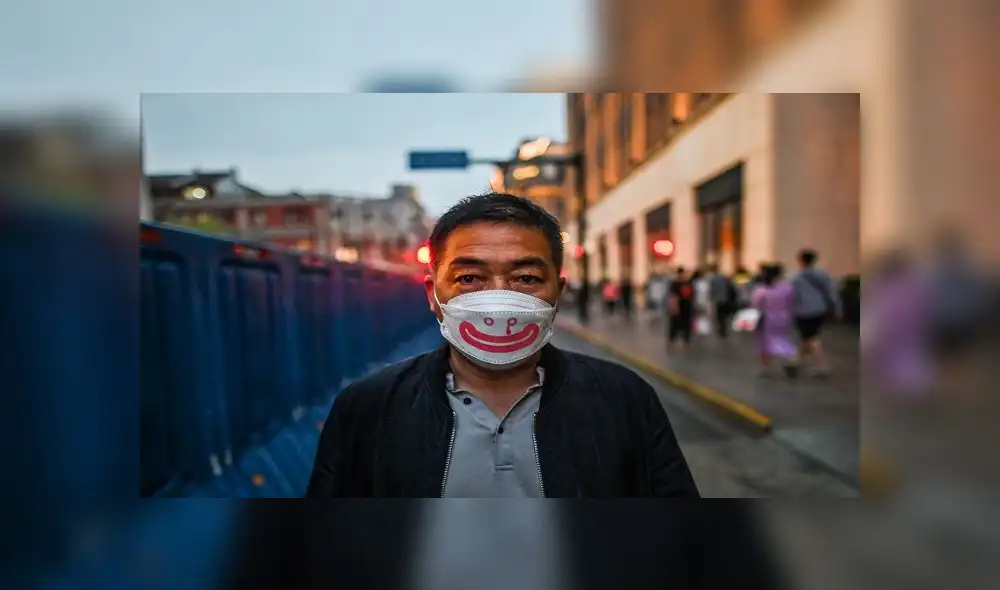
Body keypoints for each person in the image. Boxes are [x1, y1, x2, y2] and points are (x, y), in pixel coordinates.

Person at [306, 192, 699, 497]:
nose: (498, 299)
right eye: (469, 279)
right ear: (432, 295)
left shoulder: (624, 400)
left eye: (526, 278)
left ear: (558, 292)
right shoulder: (368, 409)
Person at [792, 249, 841, 377]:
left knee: (812, 338)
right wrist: (836, 307)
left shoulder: (796, 277)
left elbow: (793, 295)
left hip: (803, 311)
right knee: (807, 336)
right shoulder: (822, 274)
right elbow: (830, 292)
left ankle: (822, 366)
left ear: (801, 261)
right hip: (819, 310)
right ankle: (797, 362)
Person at [752, 264, 799, 378]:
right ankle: (789, 359)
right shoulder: (788, 288)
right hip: (785, 317)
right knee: (780, 338)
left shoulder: (763, 289)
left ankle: (767, 366)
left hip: (768, 318)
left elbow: (756, 304)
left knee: (765, 342)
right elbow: (792, 302)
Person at [667, 266, 695, 349]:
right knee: (675, 325)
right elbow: (672, 296)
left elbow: (691, 294)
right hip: (678, 307)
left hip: (686, 307)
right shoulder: (676, 284)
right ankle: (671, 341)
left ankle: (685, 341)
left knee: (685, 325)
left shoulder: (687, 283)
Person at [707, 264, 738, 339]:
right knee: (724, 315)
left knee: (719, 316)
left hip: (717, 300)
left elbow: (711, 291)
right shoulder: (723, 277)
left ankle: (721, 329)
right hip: (725, 299)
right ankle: (724, 329)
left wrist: (711, 300)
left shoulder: (712, 279)